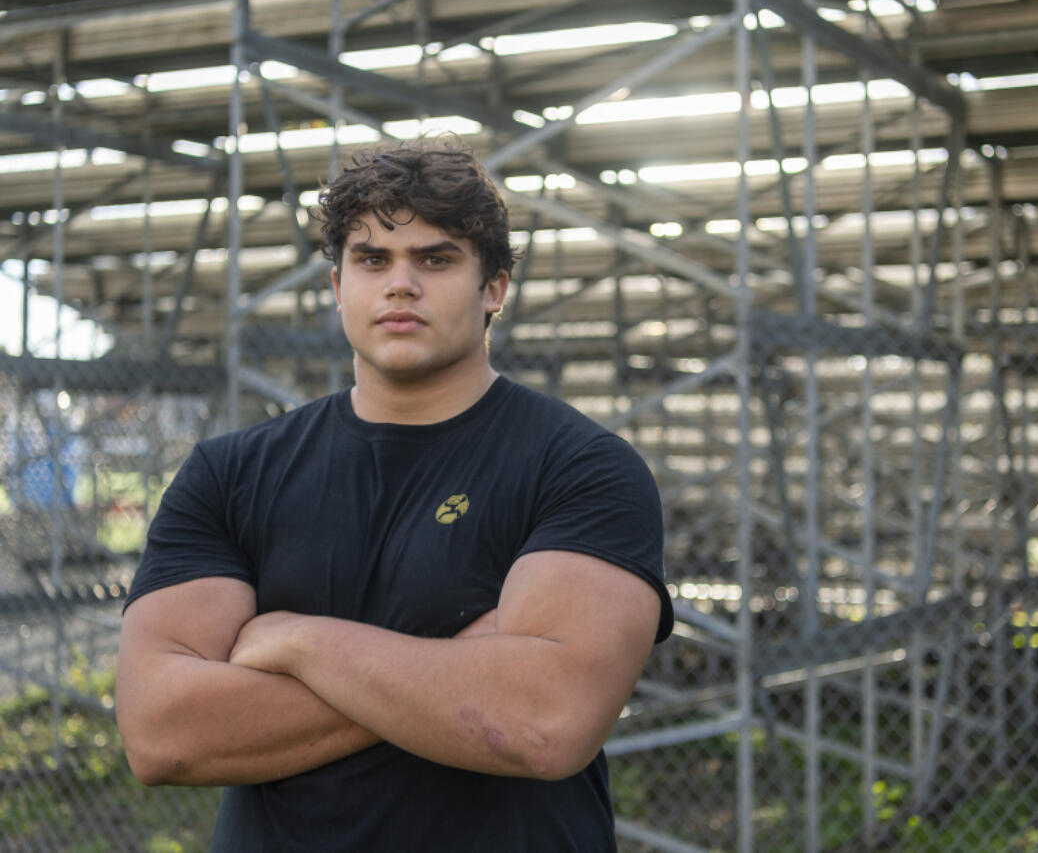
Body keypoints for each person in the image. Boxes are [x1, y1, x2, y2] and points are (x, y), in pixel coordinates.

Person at [115, 139, 673, 852]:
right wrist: (465, 666)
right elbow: (163, 733)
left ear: (495, 287)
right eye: (372, 260)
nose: (400, 283)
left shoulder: (582, 468)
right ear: (338, 285)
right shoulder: (229, 474)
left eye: (436, 259)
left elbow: (543, 720)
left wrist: (293, 639)